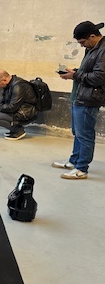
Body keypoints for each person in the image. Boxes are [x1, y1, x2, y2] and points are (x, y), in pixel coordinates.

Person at [53, 20, 105, 180]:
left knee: (85, 135)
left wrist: (75, 75)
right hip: (80, 96)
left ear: (92, 36)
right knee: (78, 133)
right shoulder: (93, 48)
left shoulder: (103, 50)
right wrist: (75, 72)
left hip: (89, 99)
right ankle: (74, 161)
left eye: (83, 42)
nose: (82, 46)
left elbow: (99, 77)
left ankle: (81, 169)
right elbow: (89, 71)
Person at [0, 70, 38, 140]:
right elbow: (3, 100)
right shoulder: (9, 85)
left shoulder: (18, 86)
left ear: (4, 80)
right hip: (17, 111)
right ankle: (14, 130)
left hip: (24, 113)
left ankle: (18, 130)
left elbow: (12, 107)